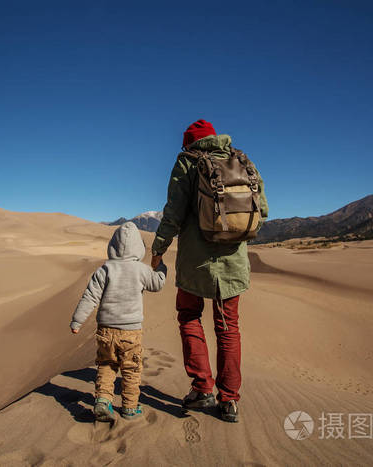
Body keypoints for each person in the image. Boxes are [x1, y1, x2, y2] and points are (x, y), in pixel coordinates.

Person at [150, 120, 268, 423]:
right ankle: (229, 400)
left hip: (194, 262)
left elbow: (173, 213)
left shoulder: (187, 163)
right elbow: (262, 210)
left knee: (189, 316)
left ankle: (202, 388)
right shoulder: (242, 161)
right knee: (228, 329)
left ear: (190, 143)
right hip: (234, 263)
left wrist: (158, 248)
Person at [70, 221, 167, 421]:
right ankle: (130, 408)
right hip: (131, 333)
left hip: (105, 331)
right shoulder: (141, 269)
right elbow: (158, 284)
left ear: (112, 246)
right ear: (138, 248)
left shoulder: (104, 270)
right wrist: (161, 267)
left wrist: (77, 322)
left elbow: (90, 297)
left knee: (106, 365)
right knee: (131, 369)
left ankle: (103, 401)